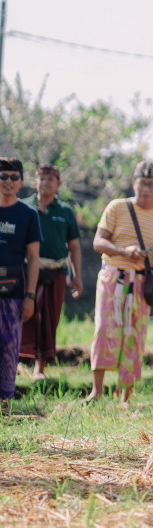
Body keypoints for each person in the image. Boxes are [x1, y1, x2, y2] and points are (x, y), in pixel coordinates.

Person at [88, 161, 153, 404]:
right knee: (103, 330)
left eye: (151, 184)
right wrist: (123, 250)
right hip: (113, 276)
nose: (145, 188)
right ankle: (96, 391)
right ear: (133, 182)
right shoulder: (117, 207)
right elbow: (98, 242)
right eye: (141, 182)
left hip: (141, 282)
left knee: (134, 336)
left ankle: (125, 397)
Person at [20, 165, 83, 380]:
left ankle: (40, 368)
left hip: (56, 271)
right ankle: (15, 363)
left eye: (50, 179)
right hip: (26, 271)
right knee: (22, 314)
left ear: (58, 184)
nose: (46, 182)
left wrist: (77, 275)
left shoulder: (65, 211)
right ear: (35, 181)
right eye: (42, 178)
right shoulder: (24, 207)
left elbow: (74, 246)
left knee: (48, 319)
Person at [0, 158, 41, 415]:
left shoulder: (28, 215)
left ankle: (4, 402)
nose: (8, 181)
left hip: (13, 291)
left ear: (21, 182)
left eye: (14, 177)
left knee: (8, 345)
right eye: (3, 176)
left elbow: (34, 258)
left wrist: (30, 296)